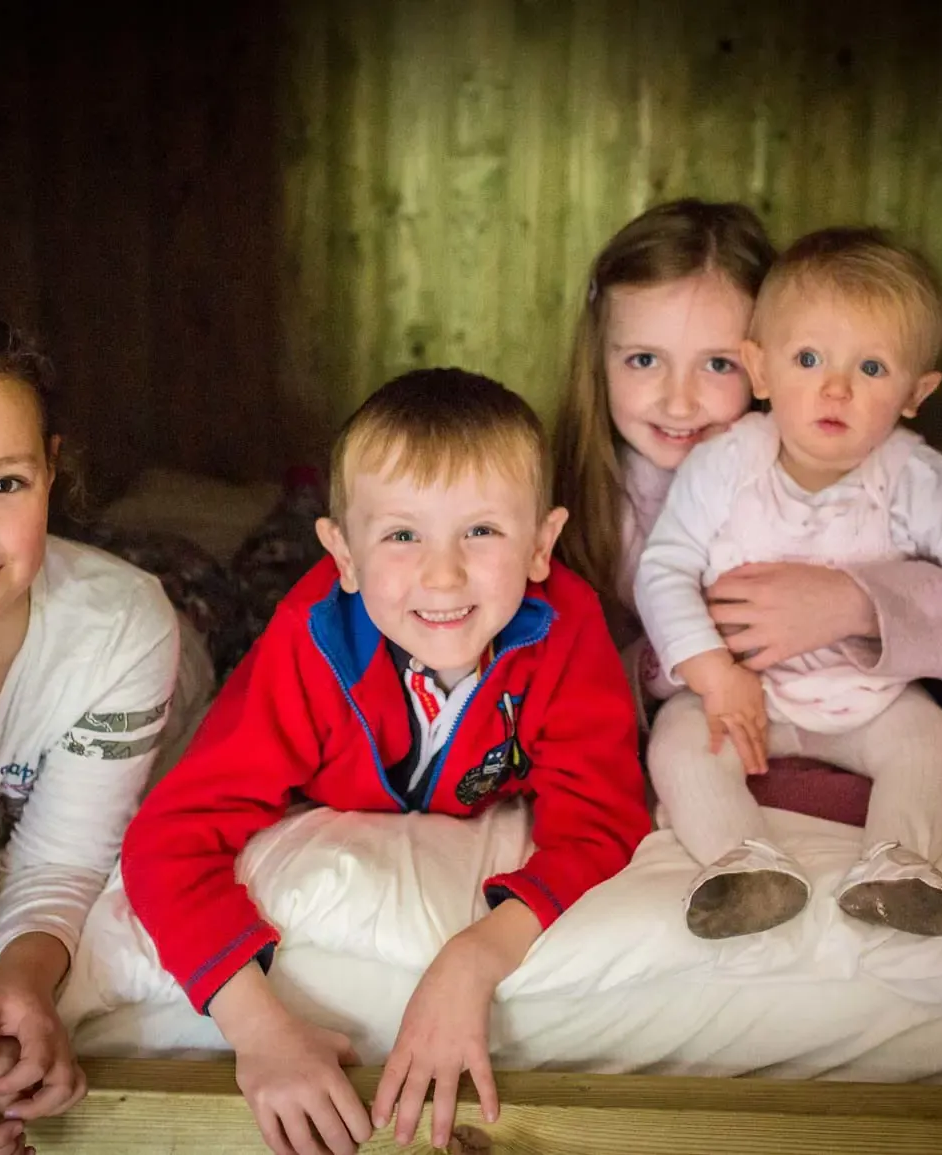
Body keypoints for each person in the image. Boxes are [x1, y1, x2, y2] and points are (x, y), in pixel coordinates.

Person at [120, 368, 650, 1155]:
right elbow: (167, 838)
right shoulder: (309, 643)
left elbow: (603, 814)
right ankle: (287, 517)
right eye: (402, 534)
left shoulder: (567, 628)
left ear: (542, 543)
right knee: (228, 589)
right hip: (273, 624)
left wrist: (475, 956)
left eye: (482, 531)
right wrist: (257, 1029)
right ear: (342, 551)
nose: (443, 574)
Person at [637, 226, 942, 942]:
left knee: (927, 740)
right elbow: (663, 567)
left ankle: (897, 865)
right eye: (808, 358)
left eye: (873, 368)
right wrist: (713, 675)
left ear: (917, 392)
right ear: (760, 371)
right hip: (746, 694)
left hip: (869, 697)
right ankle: (744, 860)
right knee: (678, 743)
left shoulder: (919, 480)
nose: (836, 387)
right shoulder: (724, 465)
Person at [0, 301, 194, 1155]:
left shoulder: (122, 626)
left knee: (209, 596)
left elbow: (64, 857)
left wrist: (27, 972)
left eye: (5, 482)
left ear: (53, 472)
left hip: (174, 650)